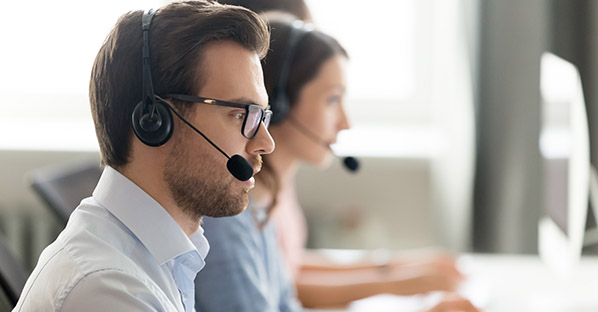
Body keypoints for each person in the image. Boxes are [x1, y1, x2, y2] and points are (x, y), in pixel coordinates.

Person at [194, 12, 479, 312]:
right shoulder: (231, 216)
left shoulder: (261, 203)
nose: (345, 123)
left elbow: (286, 301)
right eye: (332, 100)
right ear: (278, 105)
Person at [13, 1, 274, 311]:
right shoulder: (111, 290)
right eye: (239, 114)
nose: (266, 143)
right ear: (154, 121)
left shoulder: (162, 259)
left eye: (261, 116)